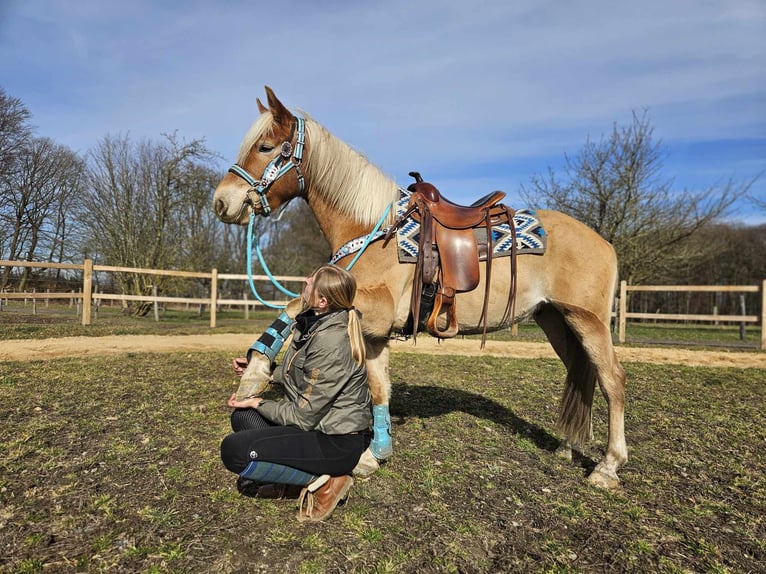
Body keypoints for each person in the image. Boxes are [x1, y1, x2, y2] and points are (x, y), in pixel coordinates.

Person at [220, 264, 371, 522]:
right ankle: (299, 473)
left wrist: (257, 402)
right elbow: (304, 372)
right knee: (241, 418)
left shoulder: (332, 342)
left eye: (311, 281)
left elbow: (302, 417)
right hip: (316, 426)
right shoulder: (313, 324)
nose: (305, 279)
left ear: (322, 301)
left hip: (336, 441)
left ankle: (328, 481)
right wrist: (265, 369)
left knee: (233, 450)